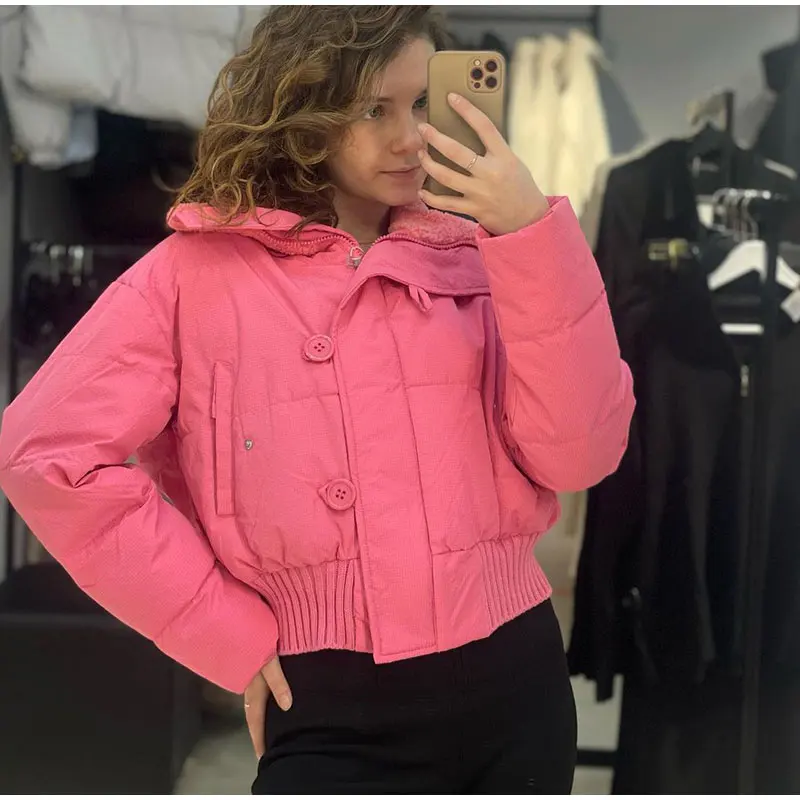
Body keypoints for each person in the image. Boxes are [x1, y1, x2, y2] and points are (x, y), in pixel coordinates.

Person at [0, 6, 635, 794]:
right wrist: (222, 630)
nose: (412, 137)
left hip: (515, 682)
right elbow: (45, 455)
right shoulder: (194, 273)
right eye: (375, 109)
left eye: (422, 103)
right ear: (305, 111)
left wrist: (532, 235)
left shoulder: (488, 253)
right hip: (326, 699)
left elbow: (582, 455)